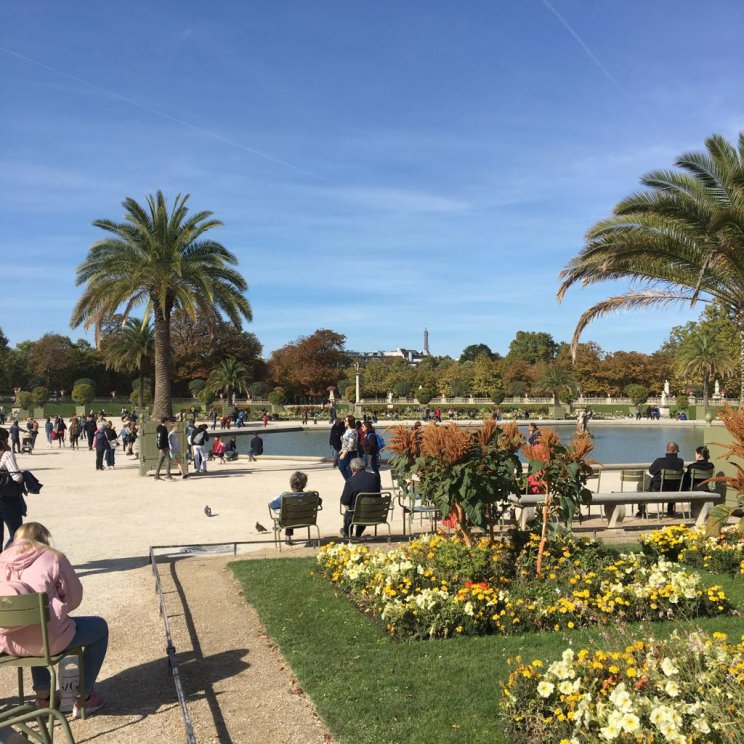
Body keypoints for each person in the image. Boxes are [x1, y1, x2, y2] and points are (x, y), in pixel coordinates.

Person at [0, 522, 108, 717]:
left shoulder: (1, 560)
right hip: (49, 641)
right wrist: (60, 607)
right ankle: (84, 697)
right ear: (44, 538)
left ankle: (44, 698)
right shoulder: (54, 557)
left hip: (8, 642)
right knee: (99, 628)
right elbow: (75, 598)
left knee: (33, 628)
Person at [269, 471, 317, 545]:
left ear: (291, 484)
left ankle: (288, 536)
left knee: (288, 512)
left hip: (289, 521)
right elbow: (319, 502)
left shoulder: (285, 496)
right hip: (308, 520)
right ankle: (286, 534)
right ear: (304, 484)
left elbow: (272, 505)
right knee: (291, 510)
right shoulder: (312, 495)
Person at [340, 458, 382, 538]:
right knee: (364, 506)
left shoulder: (351, 481)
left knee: (350, 510)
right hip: (375, 513)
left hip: (357, 514)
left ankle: (347, 533)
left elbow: (344, 500)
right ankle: (358, 533)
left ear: (352, 469)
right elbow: (378, 495)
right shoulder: (375, 477)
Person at [641, 441, 684, 518]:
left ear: (666, 450)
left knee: (641, 483)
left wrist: (659, 472)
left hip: (657, 489)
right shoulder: (680, 462)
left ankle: (641, 510)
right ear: (676, 451)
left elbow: (651, 471)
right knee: (672, 484)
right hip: (674, 490)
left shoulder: (659, 461)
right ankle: (670, 510)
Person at [0, 428, 25, 548]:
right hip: (7, 499)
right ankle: (8, 557)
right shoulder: (6, 454)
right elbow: (16, 477)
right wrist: (24, 477)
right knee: (16, 533)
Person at [338, 415, 359, 481]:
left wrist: (344, 452)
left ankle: (350, 482)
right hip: (347, 451)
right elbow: (346, 442)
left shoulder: (352, 431)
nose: (344, 422)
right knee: (346, 468)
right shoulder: (348, 430)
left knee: (344, 467)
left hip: (350, 452)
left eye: (345, 420)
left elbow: (351, 443)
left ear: (349, 422)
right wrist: (342, 449)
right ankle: (350, 482)